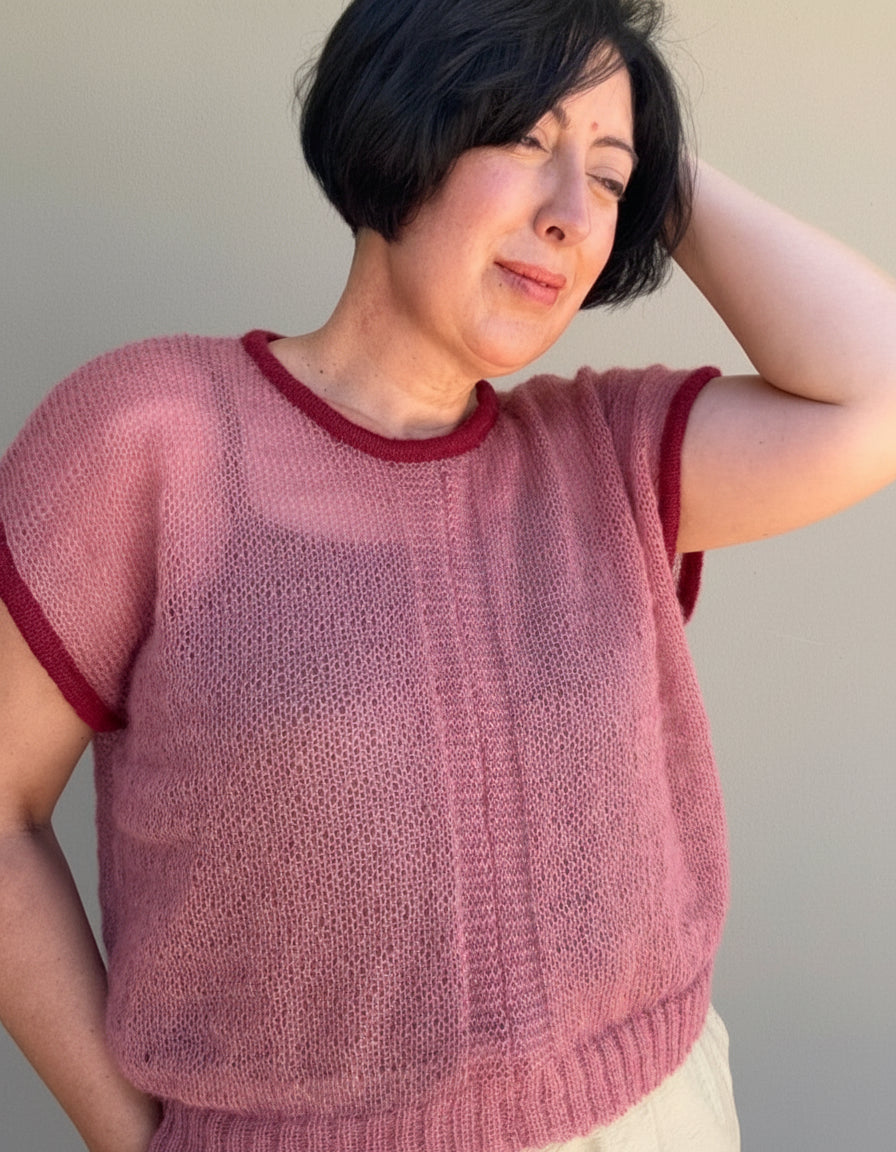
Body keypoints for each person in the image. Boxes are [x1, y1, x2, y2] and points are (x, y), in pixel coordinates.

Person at [1, 0, 895, 1149]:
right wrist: (135, 1138)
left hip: (651, 1119)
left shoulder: (602, 457)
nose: (572, 216)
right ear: (401, 124)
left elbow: (874, 392)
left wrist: (647, 153)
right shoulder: (153, 439)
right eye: (524, 137)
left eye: (608, 182)